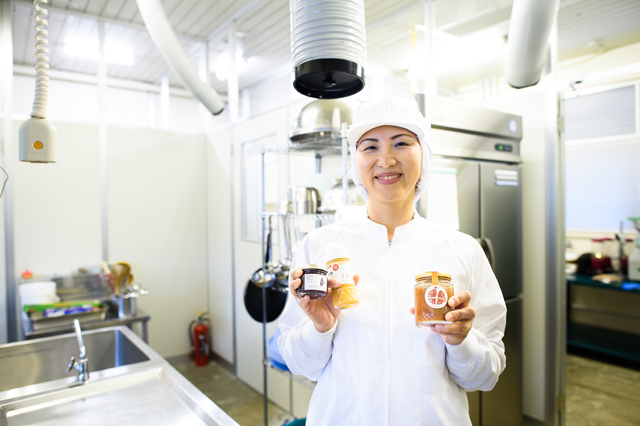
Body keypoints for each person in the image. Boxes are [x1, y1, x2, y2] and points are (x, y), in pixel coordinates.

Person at [278, 97, 507, 425]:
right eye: (370, 147)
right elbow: (300, 364)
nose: (385, 160)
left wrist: (462, 341)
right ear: (355, 160)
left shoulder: (463, 250)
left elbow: (484, 377)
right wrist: (321, 326)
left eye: (401, 143)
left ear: (423, 156)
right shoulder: (319, 247)